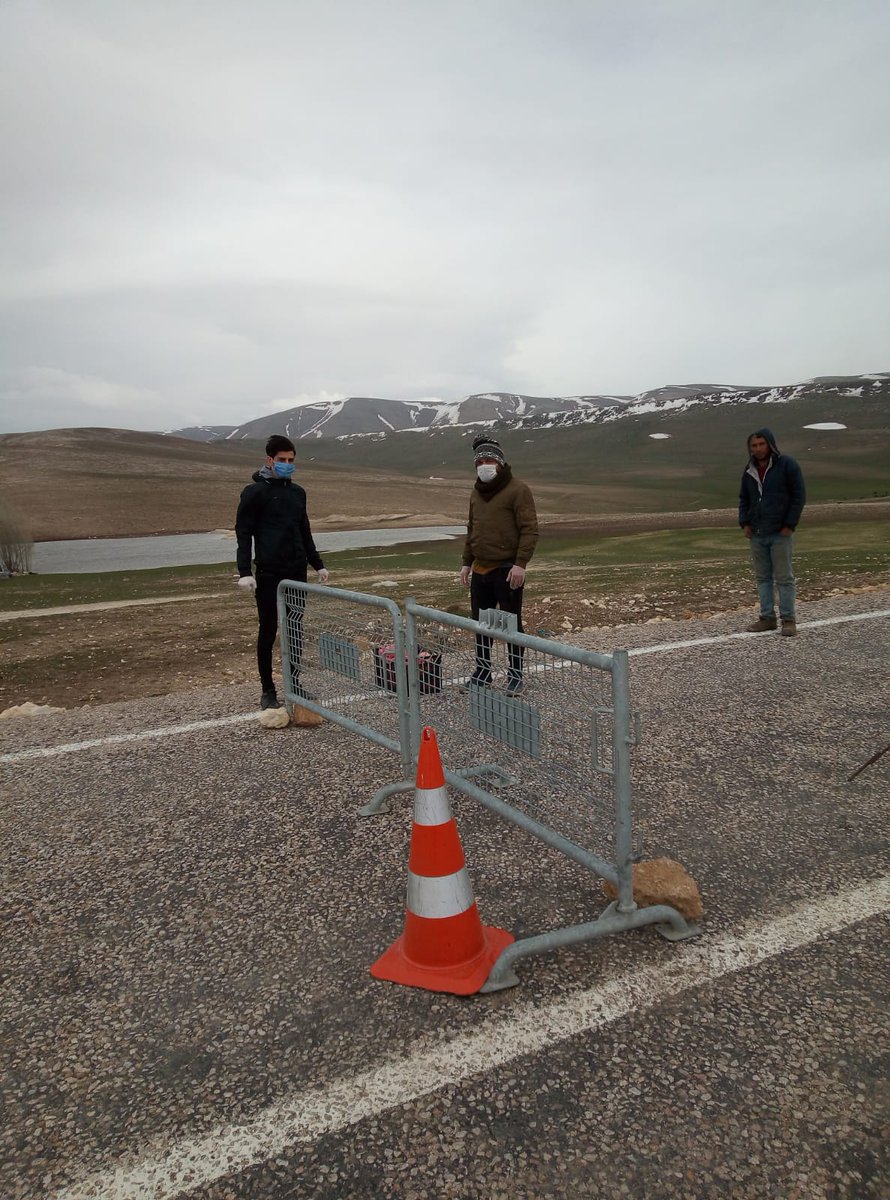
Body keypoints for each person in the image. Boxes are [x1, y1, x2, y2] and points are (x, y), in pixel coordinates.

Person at [235, 435, 329, 708]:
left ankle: (294, 683)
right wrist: (244, 571)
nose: (287, 465)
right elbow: (244, 534)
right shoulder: (254, 493)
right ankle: (267, 690)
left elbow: (305, 531)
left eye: (291, 460)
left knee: (295, 629)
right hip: (268, 573)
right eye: (281, 460)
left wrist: (318, 564)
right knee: (268, 630)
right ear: (269, 460)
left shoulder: (297, 493)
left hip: (296, 572)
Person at [459, 434, 538, 694]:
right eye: (479, 460)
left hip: (507, 569)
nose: (484, 464)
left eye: (489, 459)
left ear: (500, 463)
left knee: (511, 623)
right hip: (481, 568)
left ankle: (515, 674)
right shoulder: (475, 492)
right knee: (481, 623)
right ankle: (483, 671)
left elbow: (529, 529)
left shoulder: (518, 490)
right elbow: (473, 529)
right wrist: (466, 562)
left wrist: (520, 564)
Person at [738, 427, 806, 637]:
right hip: (757, 532)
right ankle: (767, 617)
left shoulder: (786, 465)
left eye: (762, 444)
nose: (758, 449)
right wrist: (745, 523)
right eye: (754, 446)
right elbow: (744, 499)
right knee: (763, 578)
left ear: (770, 444)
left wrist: (790, 524)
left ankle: (788, 619)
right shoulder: (749, 471)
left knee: (784, 577)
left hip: (780, 532)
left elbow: (798, 495)